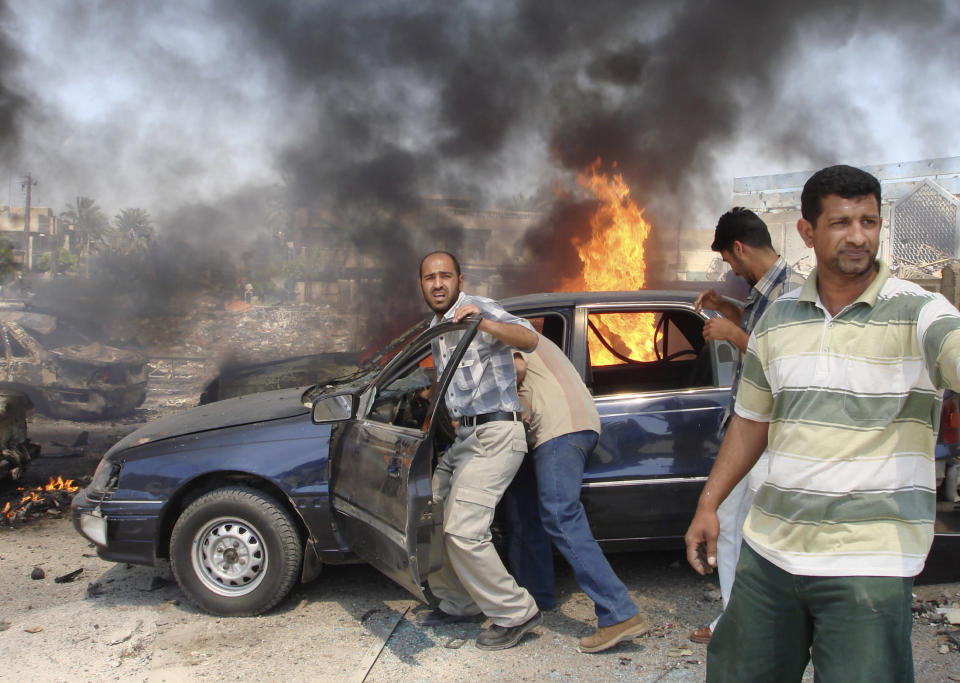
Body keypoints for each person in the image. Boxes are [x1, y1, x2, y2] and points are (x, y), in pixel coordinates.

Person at [684, 164, 960, 681]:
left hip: (868, 564)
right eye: (840, 223)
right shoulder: (778, 319)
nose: (858, 236)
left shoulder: (920, 311)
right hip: (771, 554)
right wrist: (708, 503)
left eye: (868, 221)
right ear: (808, 231)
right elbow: (749, 423)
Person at [688, 208, 804, 644]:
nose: (730, 271)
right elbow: (761, 333)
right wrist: (727, 309)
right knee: (729, 525)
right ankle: (737, 619)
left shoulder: (794, 292)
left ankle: (760, 624)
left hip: (773, 438)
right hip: (747, 430)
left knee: (758, 534)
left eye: (729, 261)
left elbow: (788, 362)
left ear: (739, 248)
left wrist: (733, 336)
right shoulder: (763, 294)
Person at [416, 250, 542, 651]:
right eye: (429, 277)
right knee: (427, 515)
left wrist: (482, 322)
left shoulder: (478, 308)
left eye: (445, 276)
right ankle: (460, 601)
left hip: (496, 436)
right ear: (421, 284)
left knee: (463, 528)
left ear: (459, 279)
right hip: (464, 440)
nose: (438, 283)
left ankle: (515, 612)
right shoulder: (437, 326)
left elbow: (530, 339)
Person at [503, 334, 649, 653]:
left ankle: (618, 612)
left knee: (560, 515)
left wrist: (511, 398)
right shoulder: (539, 338)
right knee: (526, 508)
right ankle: (535, 598)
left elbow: (515, 369)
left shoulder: (500, 331)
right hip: (572, 425)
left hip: (558, 428)